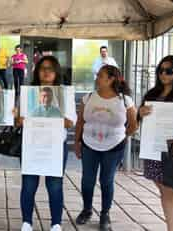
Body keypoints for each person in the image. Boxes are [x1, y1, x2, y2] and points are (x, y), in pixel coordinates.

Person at [75, 65, 138, 231]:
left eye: (100, 75)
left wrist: (123, 138)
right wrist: (77, 142)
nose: (96, 78)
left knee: (106, 180)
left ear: (111, 79)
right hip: (89, 144)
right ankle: (87, 210)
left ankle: (105, 213)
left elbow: (133, 125)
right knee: (87, 180)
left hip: (114, 147)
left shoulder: (125, 100)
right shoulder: (88, 97)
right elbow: (80, 122)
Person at [20, 56, 76, 231]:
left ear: (56, 72)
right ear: (37, 71)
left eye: (50, 68)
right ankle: (27, 222)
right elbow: (19, 120)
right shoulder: (28, 92)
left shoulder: (64, 93)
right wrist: (19, 118)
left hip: (55, 146)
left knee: (55, 186)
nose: (46, 72)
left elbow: (70, 121)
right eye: (42, 68)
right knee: (28, 185)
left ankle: (56, 224)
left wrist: (54, 116)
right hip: (31, 145)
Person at [138, 55, 173, 231]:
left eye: (169, 71)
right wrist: (141, 113)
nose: (163, 74)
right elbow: (140, 120)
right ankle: (172, 226)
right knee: (164, 192)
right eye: (160, 70)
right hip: (154, 149)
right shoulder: (152, 94)